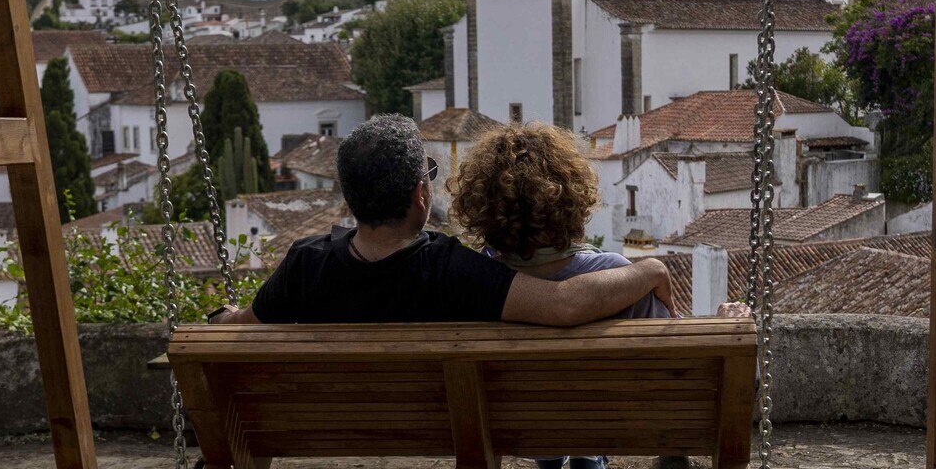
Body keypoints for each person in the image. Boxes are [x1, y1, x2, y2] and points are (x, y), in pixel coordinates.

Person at [230, 114, 668, 326]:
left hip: (330, 432)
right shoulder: (450, 270)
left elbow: (239, 325)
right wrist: (649, 267)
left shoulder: (304, 265)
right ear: (421, 196)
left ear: (350, 197)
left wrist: (218, 318)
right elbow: (563, 303)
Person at [446, 121, 674, 469]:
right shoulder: (617, 274)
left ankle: (550, 450)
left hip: (516, 427)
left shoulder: (477, 281)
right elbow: (666, 363)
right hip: (607, 420)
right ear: (571, 198)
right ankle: (588, 446)